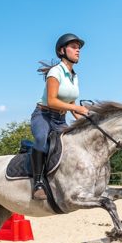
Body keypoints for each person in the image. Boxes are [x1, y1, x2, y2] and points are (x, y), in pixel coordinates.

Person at [30, 33, 90, 200]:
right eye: (74, 47)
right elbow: (52, 101)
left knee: (75, 145)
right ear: (62, 51)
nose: (78, 50)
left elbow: (71, 105)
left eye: (79, 48)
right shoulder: (55, 72)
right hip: (43, 115)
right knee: (42, 141)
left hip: (60, 120)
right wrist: (77, 107)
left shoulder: (74, 76)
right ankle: (38, 183)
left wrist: (86, 121)